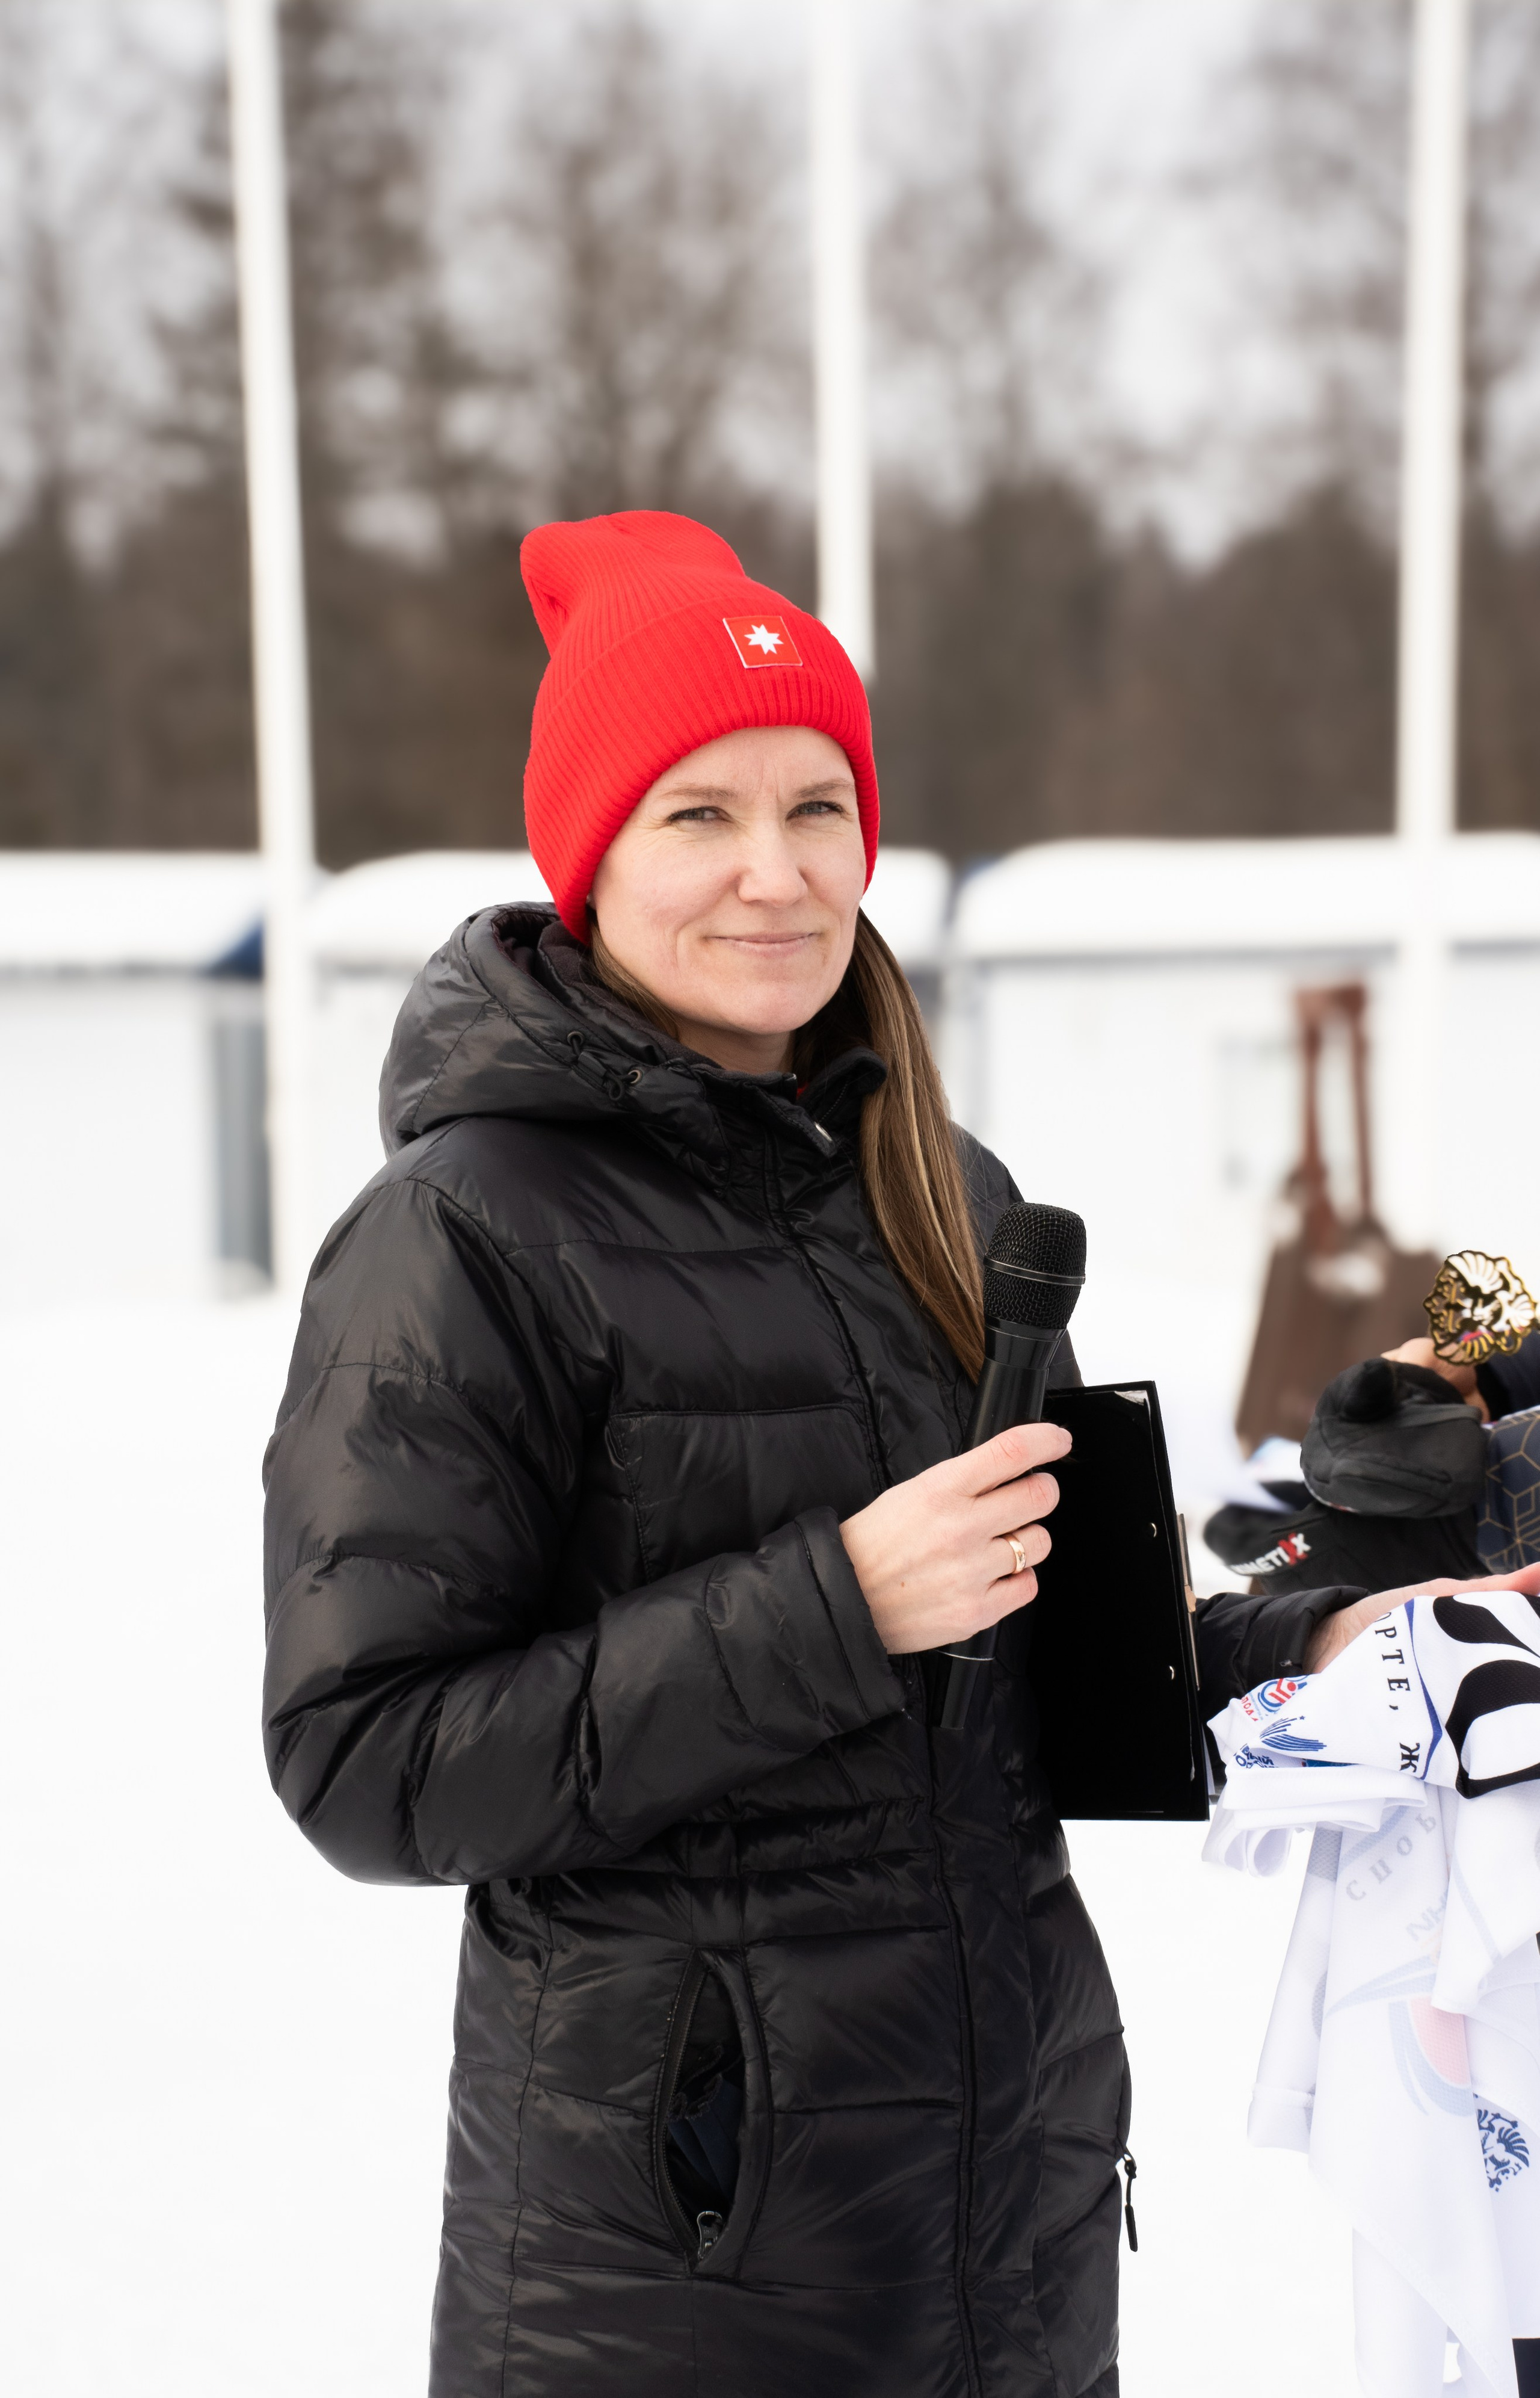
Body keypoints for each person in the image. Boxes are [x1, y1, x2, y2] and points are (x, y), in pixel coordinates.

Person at [261, 510, 1395, 2395]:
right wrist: (836, 1604)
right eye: (698, 814)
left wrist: (1326, 1637)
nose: (777, 873)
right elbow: (367, 1759)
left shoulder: (943, 1191)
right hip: (683, 2274)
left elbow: (1059, 1651)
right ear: (591, 854)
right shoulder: (459, 1231)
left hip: (1001, 2234)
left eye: (820, 807)